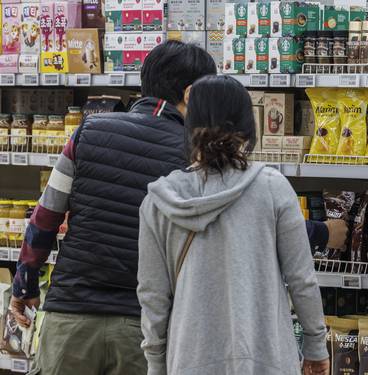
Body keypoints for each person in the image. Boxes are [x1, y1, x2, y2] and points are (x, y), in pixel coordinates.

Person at [9, 41, 217, 375]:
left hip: (70, 318)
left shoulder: (89, 131)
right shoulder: (196, 156)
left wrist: (25, 283)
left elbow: (45, 216)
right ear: (193, 95)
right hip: (145, 330)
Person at [137, 75, 329, 375]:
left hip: (190, 358)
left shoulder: (160, 201)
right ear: (249, 126)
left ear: (189, 127)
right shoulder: (272, 188)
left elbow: (152, 295)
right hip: (266, 358)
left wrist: (156, 363)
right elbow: (302, 278)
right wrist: (316, 346)